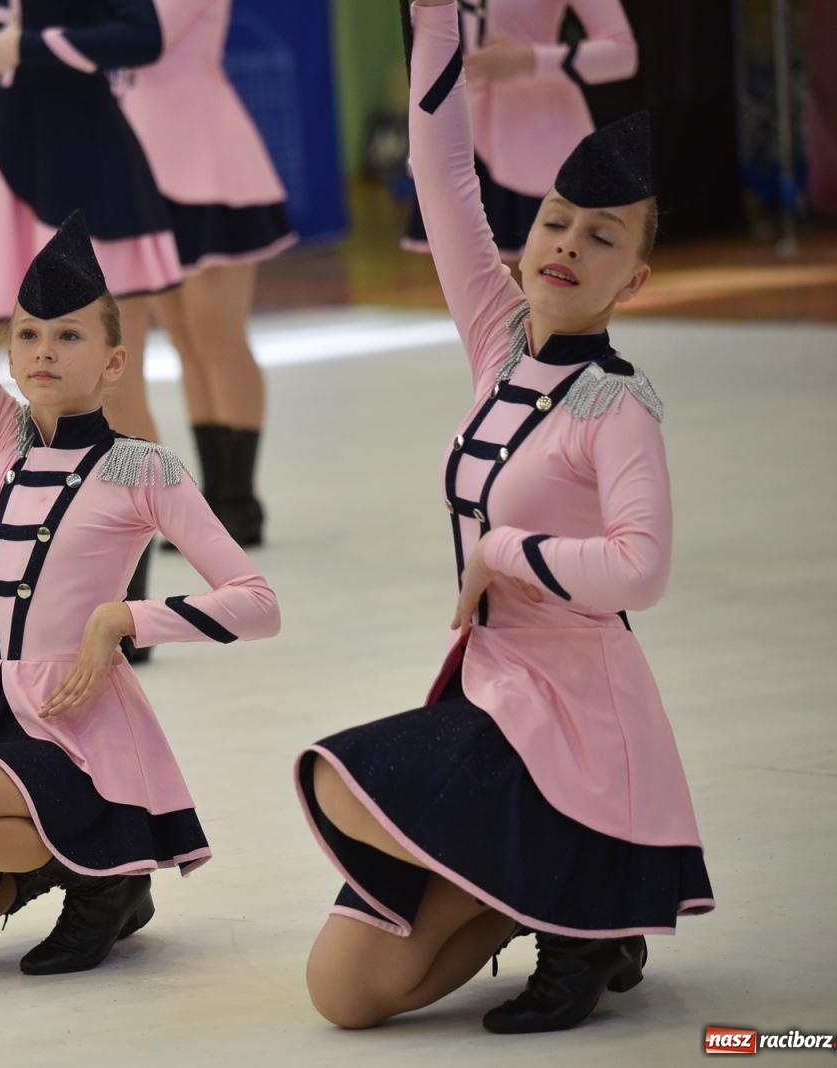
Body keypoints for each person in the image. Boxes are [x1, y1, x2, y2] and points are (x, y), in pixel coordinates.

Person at [295, 0, 712, 1034]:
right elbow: (442, 173)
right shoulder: (498, 339)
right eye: (555, 224)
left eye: (601, 237)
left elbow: (641, 570)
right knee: (345, 994)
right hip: (487, 692)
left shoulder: (616, 406)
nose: (567, 245)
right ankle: (567, 904)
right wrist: (431, 24)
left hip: (572, 715)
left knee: (347, 787)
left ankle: (579, 920)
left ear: (636, 277)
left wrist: (508, 546)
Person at [0, 82, 279, 980]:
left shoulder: (143, 469)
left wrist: (127, 619)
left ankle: (101, 881)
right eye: (30, 334)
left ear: (114, 361)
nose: (44, 350)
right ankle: (85, 873)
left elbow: (257, 604)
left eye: (71, 337)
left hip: (82, 741)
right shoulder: (4, 439)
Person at [0, 0, 185, 648]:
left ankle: (131, 603)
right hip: (15, 164)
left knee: (115, 390)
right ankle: (77, 586)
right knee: (46, 395)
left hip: (86, 168)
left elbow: (141, 35)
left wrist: (28, 47)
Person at [119, 0, 295, 546]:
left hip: (208, 157)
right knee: (187, 339)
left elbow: (145, 35)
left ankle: (239, 497)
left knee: (216, 333)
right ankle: (214, 499)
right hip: (140, 159)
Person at [400, 0, 637, 278]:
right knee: (476, 287)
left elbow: (623, 54)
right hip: (461, 134)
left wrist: (527, 60)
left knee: (552, 283)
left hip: (543, 145)